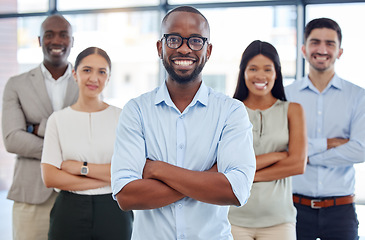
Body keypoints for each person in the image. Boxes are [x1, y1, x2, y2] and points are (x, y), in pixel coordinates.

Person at [111, 6, 256, 240]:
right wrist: (207, 177)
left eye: (196, 41)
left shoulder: (231, 112)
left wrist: (156, 169)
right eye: (174, 39)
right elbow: (127, 196)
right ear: (160, 47)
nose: (185, 48)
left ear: (208, 50)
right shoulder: (136, 111)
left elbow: (235, 190)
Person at [41, 47, 133, 240]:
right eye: (87, 70)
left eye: (102, 72)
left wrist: (80, 168)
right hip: (69, 209)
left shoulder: (123, 118)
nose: (94, 78)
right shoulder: (58, 120)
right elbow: (50, 177)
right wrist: (108, 177)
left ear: (108, 78)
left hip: (114, 209)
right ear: (75, 74)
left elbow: (129, 171)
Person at [285, 17, 365, 240]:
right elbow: (282, 145)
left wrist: (303, 157)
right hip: (293, 208)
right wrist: (328, 143)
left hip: (341, 210)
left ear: (340, 51)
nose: (322, 49)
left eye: (330, 43)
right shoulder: (287, 96)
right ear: (304, 49)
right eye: (315, 42)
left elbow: (360, 150)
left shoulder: (358, 96)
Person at [2, 14, 78, 240]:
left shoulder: (87, 83)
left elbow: (89, 137)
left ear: (72, 41)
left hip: (76, 195)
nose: (56, 41)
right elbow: (12, 139)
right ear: (39, 40)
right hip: (30, 195)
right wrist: (64, 148)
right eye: (49, 35)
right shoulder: (17, 85)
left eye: (63, 35)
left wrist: (36, 128)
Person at [228, 40, 307, 240]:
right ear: (243, 72)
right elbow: (223, 166)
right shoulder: (229, 111)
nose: (260, 75)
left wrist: (246, 176)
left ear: (276, 73)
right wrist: (277, 156)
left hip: (279, 221)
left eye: (267, 69)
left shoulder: (293, 110)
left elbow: (297, 164)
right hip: (233, 219)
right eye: (253, 68)